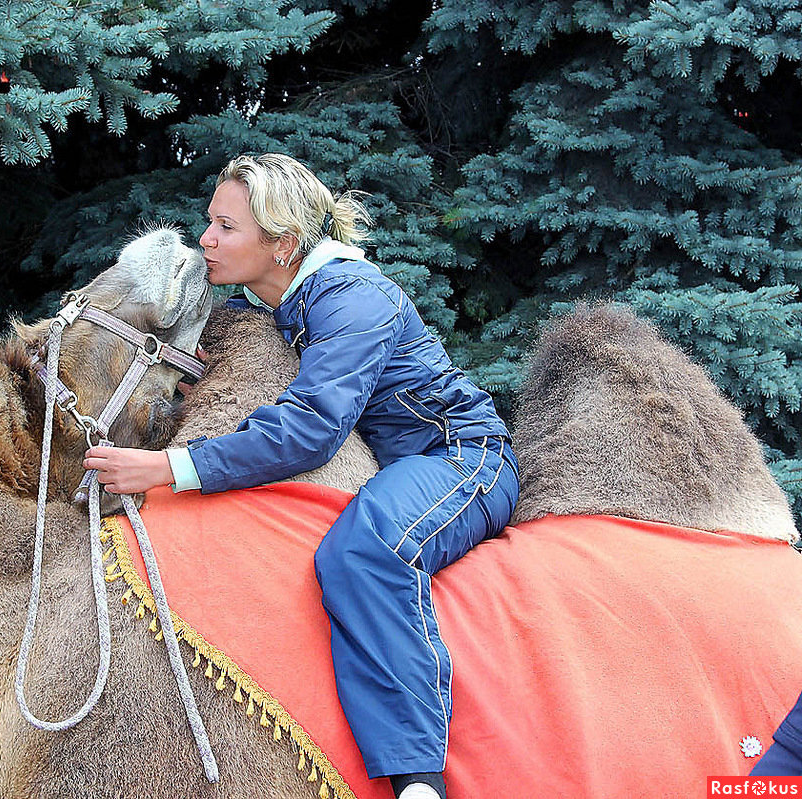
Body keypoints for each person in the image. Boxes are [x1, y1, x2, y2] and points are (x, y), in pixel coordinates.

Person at [83, 153, 518, 799]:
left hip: (463, 459)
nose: (206, 239)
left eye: (226, 227)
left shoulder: (354, 296)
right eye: (210, 221)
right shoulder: (285, 301)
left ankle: (420, 782)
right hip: (410, 462)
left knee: (367, 553)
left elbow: (313, 426)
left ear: (283, 243)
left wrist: (170, 468)